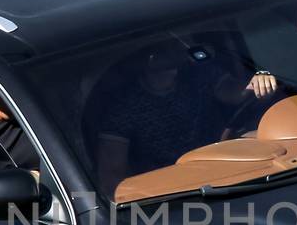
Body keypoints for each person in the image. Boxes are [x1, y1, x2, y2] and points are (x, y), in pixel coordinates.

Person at [94, 40, 276, 197]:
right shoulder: (123, 107)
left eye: (174, 47)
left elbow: (234, 92)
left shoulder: (198, 73)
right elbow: (112, 176)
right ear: (147, 59)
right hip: (176, 189)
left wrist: (257, 83)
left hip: (228, 164)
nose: (174, 57)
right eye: (162, 52)